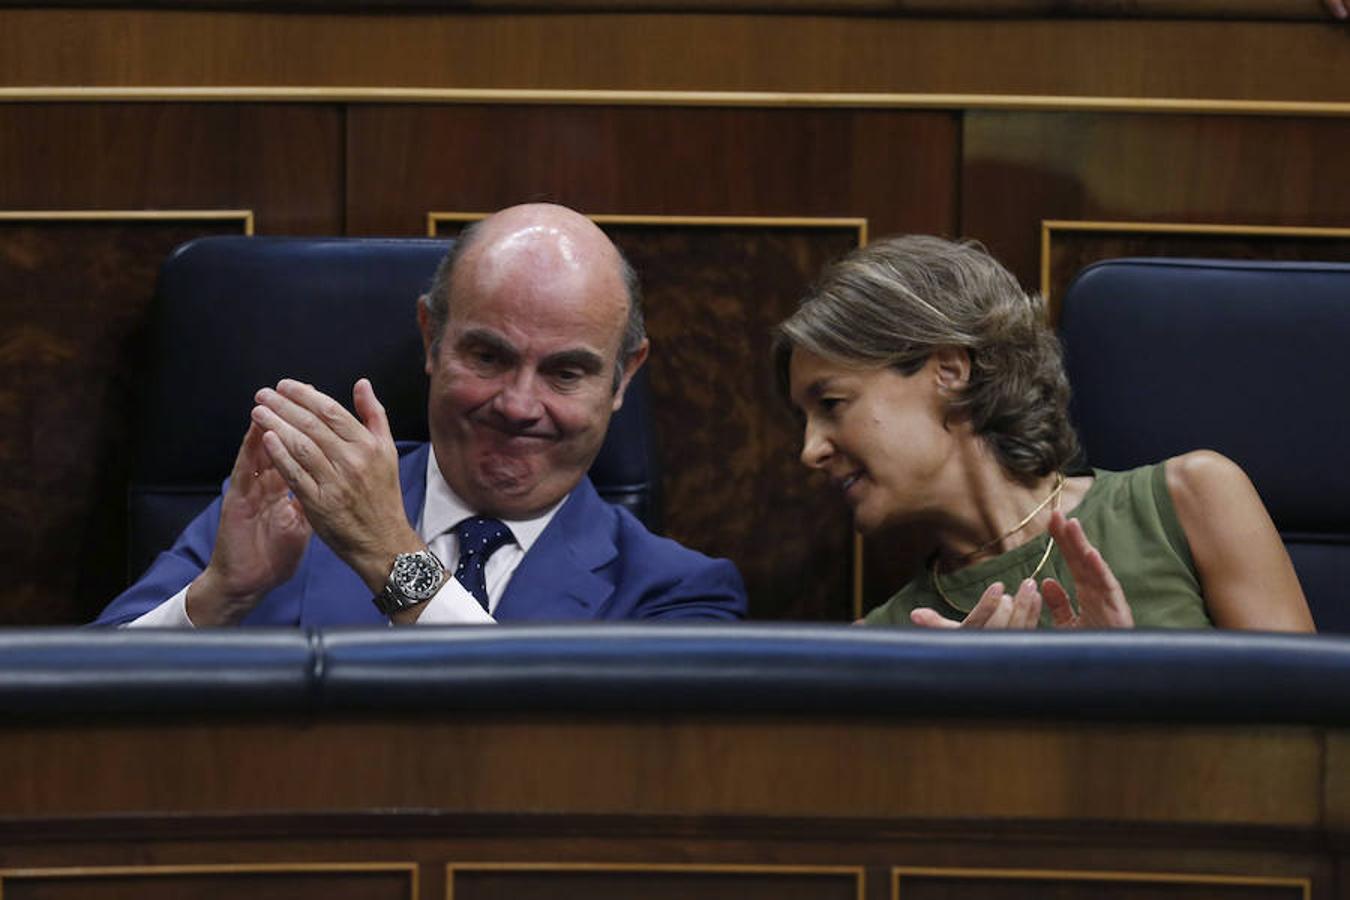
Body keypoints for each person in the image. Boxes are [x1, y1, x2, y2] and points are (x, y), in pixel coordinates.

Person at [97, 203, 747, 627]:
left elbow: (560, 758)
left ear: (621, 377)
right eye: (488, 357)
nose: (519, 406)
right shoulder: (294, 502)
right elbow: (83, 704)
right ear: (431, 338)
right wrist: (219, 596)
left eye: (565, 371)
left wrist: (390, 555)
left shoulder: (679, 594)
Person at [773, 235, 1314, 631]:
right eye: (805, 420)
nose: (810, 450)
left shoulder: (1191, 500)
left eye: (831, 404)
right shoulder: (889, 640)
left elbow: (1311, 754)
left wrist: (1132, 684)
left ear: (949, 371)